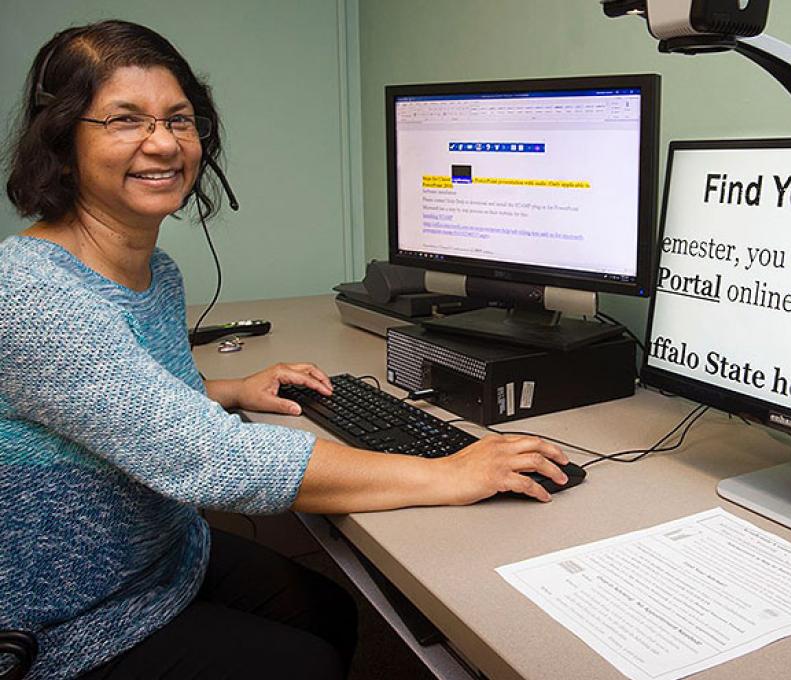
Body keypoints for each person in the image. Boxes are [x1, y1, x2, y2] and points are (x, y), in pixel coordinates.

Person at [0, 19, 570, 680]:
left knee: (328, 610)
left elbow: (108, 403)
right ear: (62, 138)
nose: (162, 144)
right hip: (66, 620)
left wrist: (233, 391)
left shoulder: (156, 272)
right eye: (125, 120)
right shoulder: (32, 291)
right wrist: (451, 473)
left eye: (179, 120)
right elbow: (211, 459)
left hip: (158, 555)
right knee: (301, 664)